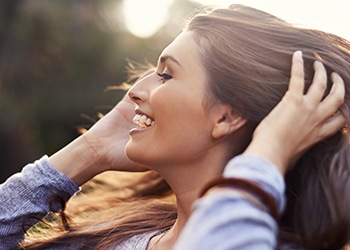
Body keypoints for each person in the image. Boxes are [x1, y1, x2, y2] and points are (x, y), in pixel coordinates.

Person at [0, 4, 349, 250]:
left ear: (226, 118)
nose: (135, 92)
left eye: (166, 74)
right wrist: (89, 151)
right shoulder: (116, 240)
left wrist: (268, 152)